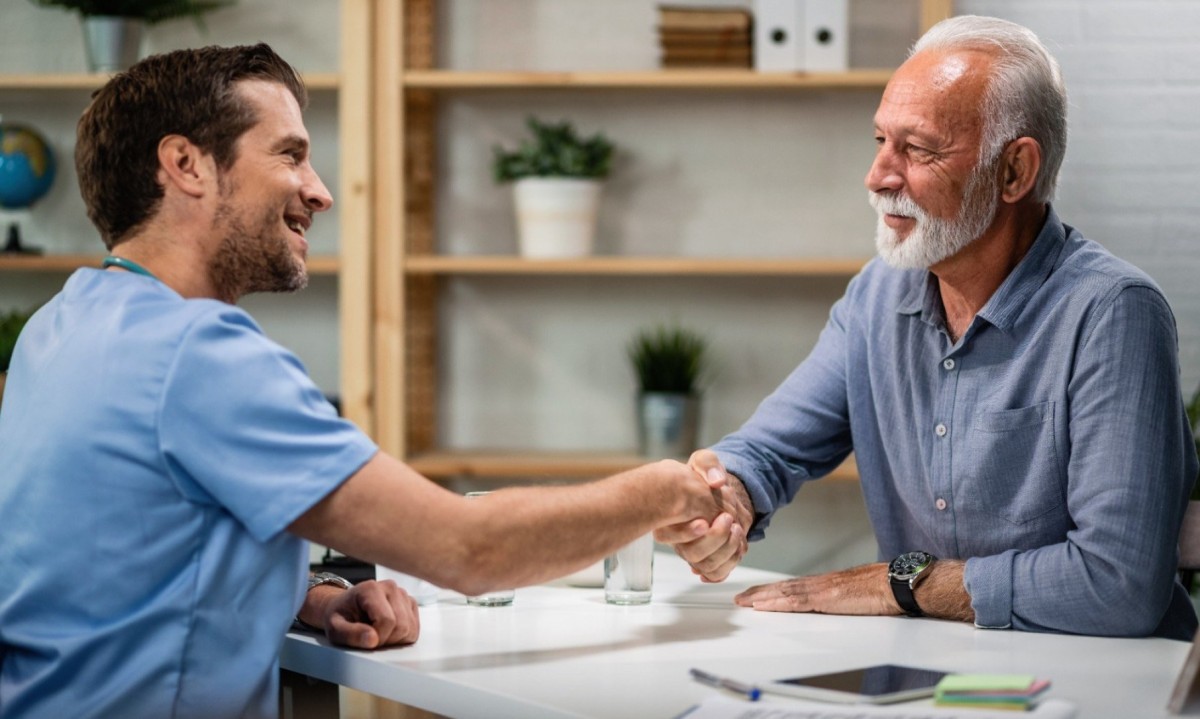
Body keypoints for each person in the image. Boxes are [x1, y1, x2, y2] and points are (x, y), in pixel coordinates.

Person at [0, 44, 729, 719]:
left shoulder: (61, 327)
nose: (320, 191)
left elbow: (126, 565)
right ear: (186, 164)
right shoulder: (200, 352)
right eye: (290, 155)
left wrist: (308, 597)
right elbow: (469, 551)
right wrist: (661, 491)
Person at [658, 14, 1199, 641]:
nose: (879, 176)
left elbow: (1116, 584)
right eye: (881, 141)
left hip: (1104, 680)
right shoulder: (876, 297)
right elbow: (770, 450)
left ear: (1014, 172)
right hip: (936, 671)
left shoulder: (1113, 313)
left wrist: (898, 584)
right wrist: (728, 500)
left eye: (918, 149)